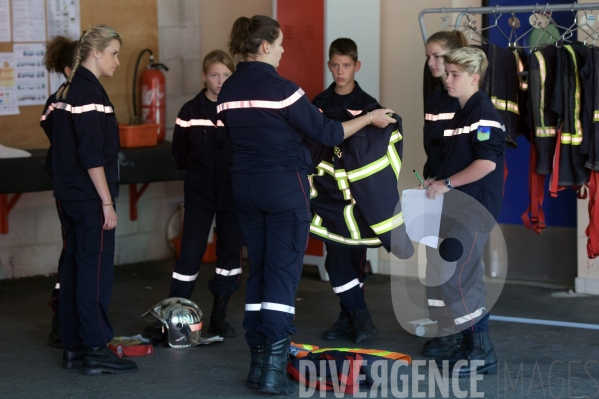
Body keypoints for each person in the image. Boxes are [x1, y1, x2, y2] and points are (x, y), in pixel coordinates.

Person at [217, 15, 395, 395]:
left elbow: (231, 140)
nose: (282, 51)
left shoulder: (228, 89)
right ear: (265, 46)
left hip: (245, 189)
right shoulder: (284, 89)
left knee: (261, 271)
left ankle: (257, 363)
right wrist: (369, 118)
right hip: (283, 188)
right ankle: (272, 371)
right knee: (282, 274)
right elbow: (328, 133)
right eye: (279, 44)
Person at [50, 25, 136, 375]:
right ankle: (96, 350)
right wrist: (106, 203)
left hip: (70, 197)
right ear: (95, 53)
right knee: (94, 276)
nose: (117, 60)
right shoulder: (90, 95)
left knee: (73, 271)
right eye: (113, 53)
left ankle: (73, 348)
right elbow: (91, 156)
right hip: (88, 202)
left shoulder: (72, 91)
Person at [424, 47, 505, 377]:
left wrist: (446, 183)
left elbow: (486, 163)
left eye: (455, 74)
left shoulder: (483, 113)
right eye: (448, 72)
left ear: (475, 78)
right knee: (452, 274)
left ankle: (481, 351)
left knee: (459, 275)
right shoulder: (459, 112)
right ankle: (465, 342)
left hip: (474, 208)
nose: (447, 78)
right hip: (456, 206)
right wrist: (434, 181)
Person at [169, 49, 244, 337]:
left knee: (228, 255)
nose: (220, 80)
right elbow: (179, 153)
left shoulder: (239, 110)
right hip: (199, 193)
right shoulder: (189, 111)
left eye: (226, 75)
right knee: (189, 254)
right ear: (204, 76)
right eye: (215, 74)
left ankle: (219, 316)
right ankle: (176, 316)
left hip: (232, 194)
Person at [311, 38, 380, 343]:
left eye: (346, 65)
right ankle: (359, 318)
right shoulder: (318, 104)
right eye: (335, 65)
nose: (340, 71)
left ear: (357, 66)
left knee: (354, 260)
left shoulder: (370, 107)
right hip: (327, 197)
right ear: (329, 65)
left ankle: (348, 317)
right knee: (336, 257)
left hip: (358, 198)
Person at [420, 30, 468, 358]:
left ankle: (459, 334)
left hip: (459, 195)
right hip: (436, 189)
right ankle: (443, 329)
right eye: (429, 57)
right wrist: (430, 177)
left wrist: (447, 182)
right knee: (435, 265)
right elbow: (435, 148)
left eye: (438, 56)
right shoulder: (436, 95)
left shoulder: (467, 101)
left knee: (455, 266)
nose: (432, 63)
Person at [40, 35, 78, 348]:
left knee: (78, 254)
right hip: (70, 189)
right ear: (68, 70)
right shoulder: (60, 100)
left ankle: (73, 322)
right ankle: (60, 320)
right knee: (71, 254)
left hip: (78, 188)